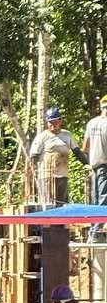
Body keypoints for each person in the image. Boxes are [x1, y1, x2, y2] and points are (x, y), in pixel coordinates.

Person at [28, 106, 85, 206]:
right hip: (46, 176)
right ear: (47, 123)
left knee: (62, 203)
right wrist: (33, 171)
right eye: (51, 122)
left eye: (56, 122)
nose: (53, 125)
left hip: (62, 175)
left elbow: (77, 152)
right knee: (48, 204)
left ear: (60, 121)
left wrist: (87, 163)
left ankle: (61, 222)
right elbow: (34, 156)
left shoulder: (67, 135)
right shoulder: (42, 137)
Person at [82, 93, 107, 241]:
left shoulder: (92, 123)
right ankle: (97, 232)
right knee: (104, 198)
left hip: (93, 165)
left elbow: (85, 147)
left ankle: (93, 230)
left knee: (95, 198)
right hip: (104, 164)